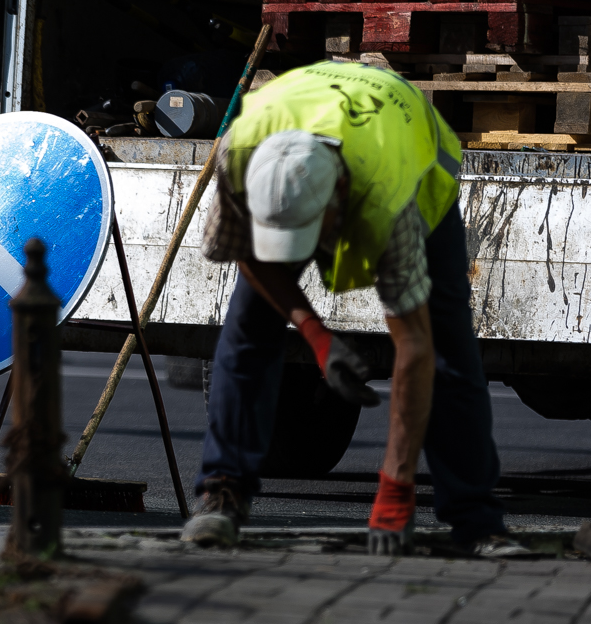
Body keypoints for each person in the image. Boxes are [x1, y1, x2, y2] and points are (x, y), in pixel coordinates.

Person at [183, 60, 528, 557]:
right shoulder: (239, 152)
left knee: (448, 346)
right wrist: (317, 336)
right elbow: (246, 254)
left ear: (339, 199)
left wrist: (395, 486)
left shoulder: (390, 198)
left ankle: (476, 521)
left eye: (307, 234)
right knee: (248, 323)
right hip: (310, 122)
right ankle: (221, 492)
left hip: (412, 153)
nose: (297, 249)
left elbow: (414, 346)